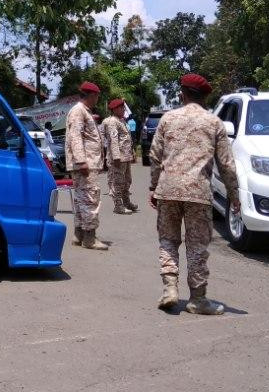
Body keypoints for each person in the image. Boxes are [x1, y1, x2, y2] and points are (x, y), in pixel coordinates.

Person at [148, 73, 239, 314]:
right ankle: (197, 299)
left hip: (167, 190)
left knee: (168, 239)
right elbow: (227, 164)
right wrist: (235, 196)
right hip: (198, 193)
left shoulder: (167, 119)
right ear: (205, 97)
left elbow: (155, 156)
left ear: (182, 94)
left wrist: (154, 187)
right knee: (197, 245)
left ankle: (169, 289)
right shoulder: (214, 123)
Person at [65, 82, 108, 250]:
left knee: (82, 199)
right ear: (91, 95)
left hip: (87, 162)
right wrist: (81, 160)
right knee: (90, 199)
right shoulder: (78, 111)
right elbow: (75, 136)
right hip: (85, 163)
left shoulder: (83, 111)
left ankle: (79, 234)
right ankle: (90, 237)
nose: (97, 99)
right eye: (97, 96)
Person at [102, 98, 137, 214]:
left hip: (126, 156)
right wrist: (116, 156)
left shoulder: (121, 121)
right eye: (121, 107)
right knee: (118, 182)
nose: (123, 109)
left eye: (123, 107)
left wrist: (132, 153)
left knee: (127, 180)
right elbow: (113, 140)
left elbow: (127, 139)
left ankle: (127, 202)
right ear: (115, 109)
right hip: (119, 157)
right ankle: (118, 205)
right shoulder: (113, 122)